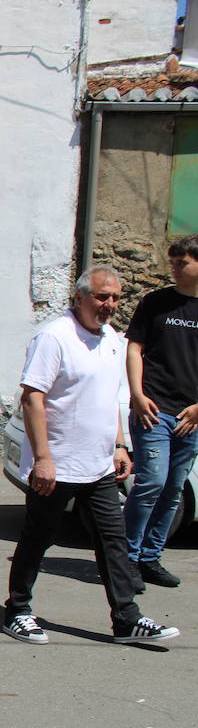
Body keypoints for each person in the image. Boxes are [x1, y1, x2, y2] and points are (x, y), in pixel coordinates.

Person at [3, 267, 181, 645]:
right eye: (102, 297)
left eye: (115, 298)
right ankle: (17, 611)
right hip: (58, 463)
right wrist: (43, 458)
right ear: (80, 297)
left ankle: (126, 620)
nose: (110, 305)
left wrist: (118, 444)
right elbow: (33, 397)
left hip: (97, 465)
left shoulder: (114, 341)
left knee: (112, 542)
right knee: (38, 538)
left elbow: (107, 399)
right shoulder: (54, 337)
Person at [122, 235, 198, 589]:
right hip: (153, 409)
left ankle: (151, 557)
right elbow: (135, 348)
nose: (174, 267)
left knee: (173, 488)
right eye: (173, 261)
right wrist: (136, 394)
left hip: (191, 417)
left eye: (181, 262)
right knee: (150, 482)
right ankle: (127, 559)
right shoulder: (156, 302)